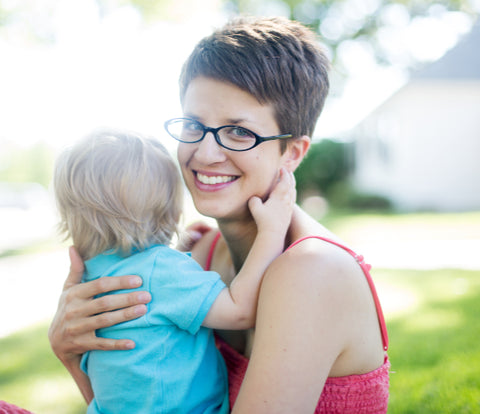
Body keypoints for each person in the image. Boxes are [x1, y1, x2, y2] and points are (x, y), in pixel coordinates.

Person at [48, 16, 390, 413]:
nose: (205, 154)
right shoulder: (201, 252)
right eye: (194, 124)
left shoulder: (313, 269)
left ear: (293, 152)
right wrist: (71, 353)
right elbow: (145, 400)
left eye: (240, 132)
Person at [52, 129, 295, 413]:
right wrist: (272, 230)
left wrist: (179, 249)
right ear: (170, 212)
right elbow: (239, 311)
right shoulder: (163, 270)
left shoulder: (89, 274)